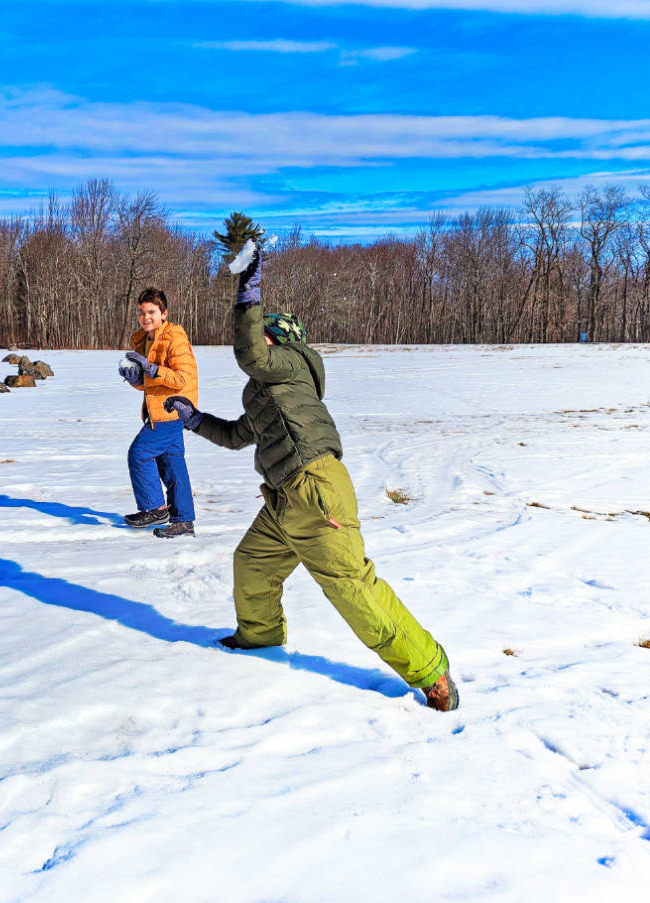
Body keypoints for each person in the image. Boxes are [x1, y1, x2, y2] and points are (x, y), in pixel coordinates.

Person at [163, 248, 458, 710]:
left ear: (280, 341)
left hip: (317, 492)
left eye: (264, 337)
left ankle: (428, 670)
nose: (257, 345)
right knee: (252, 566)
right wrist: (193, 418)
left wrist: (247, 293)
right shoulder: (268, 394)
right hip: (284, 502)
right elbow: (238, 435)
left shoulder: (294, 364)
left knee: (352, 588)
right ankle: (259, 641)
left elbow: (252, 355)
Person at [118, 287, 199, 538]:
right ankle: (183, 521)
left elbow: (181, 379)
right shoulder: (146, 339)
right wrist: (134, 378)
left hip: (171, 410)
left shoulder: (174, 336)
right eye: (141, 312)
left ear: (164, 313)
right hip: (161, 411)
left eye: (151, 312)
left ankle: (155, 509)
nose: (146, 317)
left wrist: (151, 369)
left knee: (139, 454)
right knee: (172, 466)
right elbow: (150, 382)